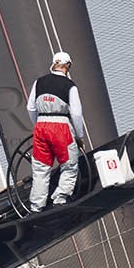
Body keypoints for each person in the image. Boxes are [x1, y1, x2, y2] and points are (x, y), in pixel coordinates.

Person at [27, 51, 85, 211]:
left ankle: (36, 206)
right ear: (68, 66)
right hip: (61, 127)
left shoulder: (38, 82)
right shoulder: (70, 86)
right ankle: (60, 199)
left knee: (40, 168)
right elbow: (76, 113)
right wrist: (79, 136)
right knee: (70, 165)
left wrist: (38, 125)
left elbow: (30, 107)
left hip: (41, 126)